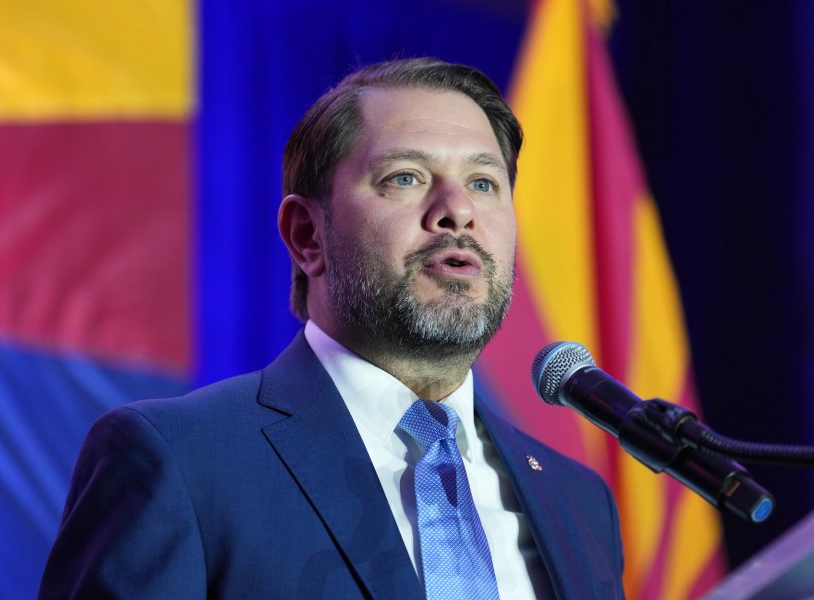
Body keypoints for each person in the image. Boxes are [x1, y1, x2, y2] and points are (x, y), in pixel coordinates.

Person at [39, 58, 624, 599]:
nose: (458, 210)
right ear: (307, 235)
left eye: (483, 183)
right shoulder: (180, 461)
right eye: (405, 177)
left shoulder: (578, 501)